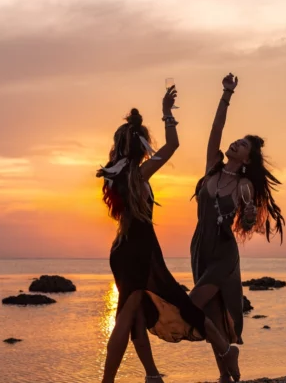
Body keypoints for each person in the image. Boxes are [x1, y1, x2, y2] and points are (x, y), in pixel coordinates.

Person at [98, 86, 239, 383]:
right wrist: (166, 111)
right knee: (147, 310)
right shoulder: (137, 174)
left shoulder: (118, 173)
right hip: (139, 252)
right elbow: (173, 145)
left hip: (125, 251)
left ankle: (152, 375)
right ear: (141, 146)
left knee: (133, 314)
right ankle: (226, 351)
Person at [189, 74, 286, 382]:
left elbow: (245, 224)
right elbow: (215, 130)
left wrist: (247, 213)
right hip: (199, 248)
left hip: (223, 253)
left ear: (246, 158)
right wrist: (226, 94)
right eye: (237, 141)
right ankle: (226, 376)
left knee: (191, 305)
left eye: (242, 144)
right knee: (212, 315)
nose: (235, 143)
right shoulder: (211, 167)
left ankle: (230, 353)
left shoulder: (244, 185)